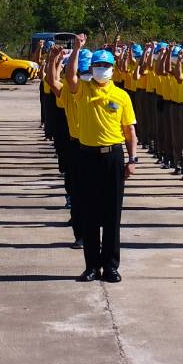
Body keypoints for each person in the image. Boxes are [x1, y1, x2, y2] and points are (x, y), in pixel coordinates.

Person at [66, 48, 137, 282]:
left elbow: (129, 131)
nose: (101, 70)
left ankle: (111, 266)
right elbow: (70, 77)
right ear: (91, 68)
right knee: (89, 214)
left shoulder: (121, 96)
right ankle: (92, 267)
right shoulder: (83, 90)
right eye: (97, 66)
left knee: (112, 214)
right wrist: (76, 49)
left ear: (112, 69)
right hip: (87, 156)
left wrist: (132, 159)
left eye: (106, 66)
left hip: (113, 156)